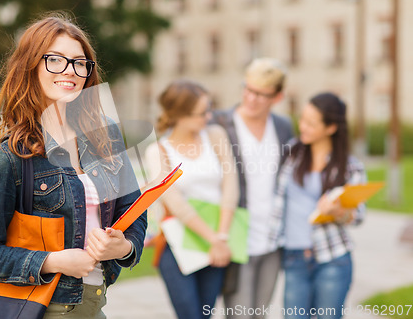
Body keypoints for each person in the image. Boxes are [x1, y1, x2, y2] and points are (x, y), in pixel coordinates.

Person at [0, 13, 147, 319]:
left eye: (79, 62)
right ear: (32, 65)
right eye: (56, 60)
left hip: (94, 303)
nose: (70, 71)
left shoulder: (106, 136)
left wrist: (124, 247)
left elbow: (136, 214)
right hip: (44, 307)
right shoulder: (11, 157)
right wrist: (54, 262)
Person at [145, 79, 239, 319]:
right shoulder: (158, 151)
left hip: (219, 239)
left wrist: (222, 237)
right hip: (177, 245)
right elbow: (175, 203)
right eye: (202, 113)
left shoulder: (215, 136)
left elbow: (231, 185)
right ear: (179, 115)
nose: (208, 117)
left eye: (209, 109)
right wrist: (214, 240)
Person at [268, 92, 366, 319]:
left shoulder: (350, 167)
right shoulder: (291, 154)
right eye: (302, 119)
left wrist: (337, 212)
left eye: (311, 124)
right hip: (294, 257)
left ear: (331, 128)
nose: (303, 127)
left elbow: (358, 216)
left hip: (333, 257)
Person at [212, 58, 293, 319]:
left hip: (272, 238)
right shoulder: (219, 123)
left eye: (261, 94)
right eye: (248, 89)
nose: (251, 98)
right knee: (239, 313)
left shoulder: (283, 127)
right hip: (236, 235)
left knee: (261, 313)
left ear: (277, 97)